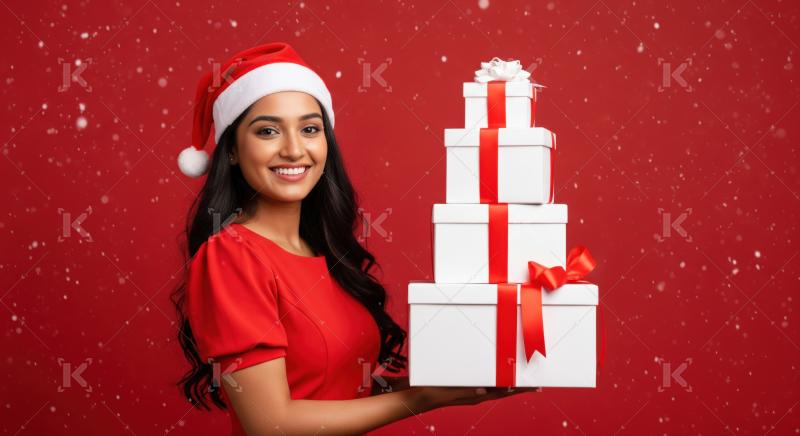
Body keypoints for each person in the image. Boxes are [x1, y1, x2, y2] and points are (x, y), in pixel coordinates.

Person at [171, 42, 538, 435]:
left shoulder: (323, 251)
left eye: (309, 129)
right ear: (231, 151)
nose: (294, 150)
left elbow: (341, 393)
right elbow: (271, 424)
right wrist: (423, 398)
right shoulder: (231, 256)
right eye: (268, 131)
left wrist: (449, 388)